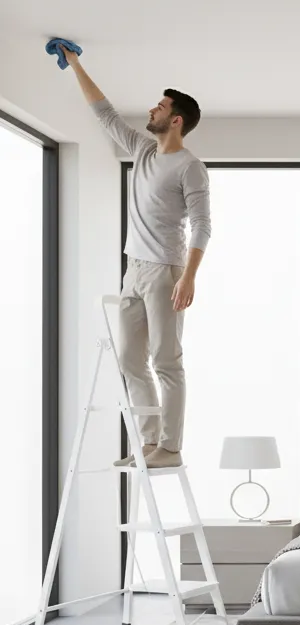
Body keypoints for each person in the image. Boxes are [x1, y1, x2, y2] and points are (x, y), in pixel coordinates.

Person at [61, 46, 210, 469]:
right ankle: (149, 442)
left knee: (166, 360)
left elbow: (202, 225)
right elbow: (104, 113)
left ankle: (171, 448)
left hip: (167, 271)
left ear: (175, 119)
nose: (152, 109)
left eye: (160, 106)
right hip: (134, 270)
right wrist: (75, 63)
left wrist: (189, 277)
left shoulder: (190, 168)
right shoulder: (143, 151)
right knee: (129, 359)